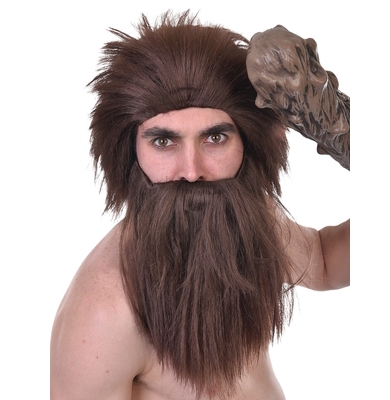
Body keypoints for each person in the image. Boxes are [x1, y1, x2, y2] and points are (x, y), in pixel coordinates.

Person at [50, 11, 350, 400]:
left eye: (215, 138)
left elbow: (324, 263)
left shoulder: (239, 222)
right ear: (130, 153)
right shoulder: (105, 313)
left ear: (247, 143)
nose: (192, 172)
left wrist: (353, 140)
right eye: (163, 142)